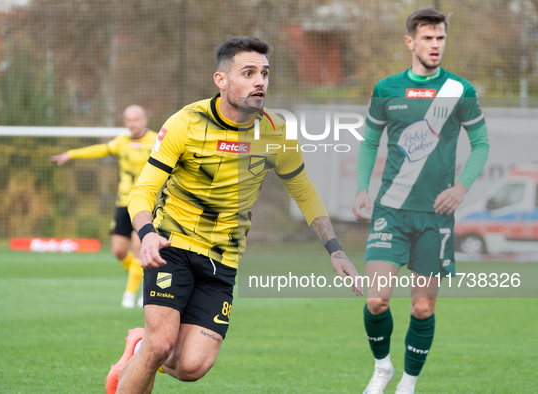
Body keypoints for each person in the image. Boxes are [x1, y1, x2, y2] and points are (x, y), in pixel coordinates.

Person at [104, 36, 363, 394]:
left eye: (265, 73)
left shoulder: (275, 132)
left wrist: (335, 249)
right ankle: (146, 347)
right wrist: (147, 233)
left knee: (190, 367)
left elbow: (304, 192)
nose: (260, 81)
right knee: (161, 345)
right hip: (172, 246)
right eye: (249, 72)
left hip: (222, 259)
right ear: (221, 80)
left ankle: (136, 347)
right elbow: (143, 190)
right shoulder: (186, 123)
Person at [352, 9, 490, 394]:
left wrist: (461, 186)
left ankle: (408, 383)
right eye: (428, 38)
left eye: (440, 38)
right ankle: (382, 369)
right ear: (410, 42)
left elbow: (481, 144)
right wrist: (362, 188)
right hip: (390, 212)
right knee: (377, 299)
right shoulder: (386, 89)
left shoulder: (459, 90)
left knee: (422, 308)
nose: (435, 45)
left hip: (435, 216)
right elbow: (369, 142)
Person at [50, 105, 158, 308]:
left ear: (145, 120)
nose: (132, 123)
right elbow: (100, 150)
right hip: (122, 202)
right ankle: (140, 277)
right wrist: (72, 154)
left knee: (138, 249)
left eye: (136, 119)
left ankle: (131, 294)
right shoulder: (121, 142)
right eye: (128, 120)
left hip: (144, 202)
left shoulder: (156, 140)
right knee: (118, 250)